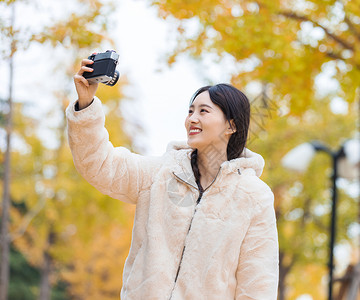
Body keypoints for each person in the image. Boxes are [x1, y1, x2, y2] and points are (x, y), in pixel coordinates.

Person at [67, 58, 279, 299]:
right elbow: (100, 165)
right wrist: (86, 105)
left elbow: (258, 284)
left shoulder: (254, 195)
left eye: (204, 111)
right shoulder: (160, 172)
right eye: (190, 111)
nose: (192, 119)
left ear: (231, 125)